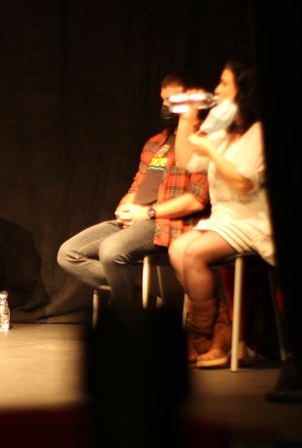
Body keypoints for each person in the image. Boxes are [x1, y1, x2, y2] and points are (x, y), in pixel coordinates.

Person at [57, 72, 210, 314]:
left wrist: (148, 213)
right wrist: (125, 207)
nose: (165, 106)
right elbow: (137, 185)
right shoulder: (155, 142)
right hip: (136, 219)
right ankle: (142, 300)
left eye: (172, 99)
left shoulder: (204, 141)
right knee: (68, 253)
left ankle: (128, 319)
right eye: (163, 100)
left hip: (166, 223)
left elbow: (196, 200)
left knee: (111, 250)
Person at [169, 59, 274, 368]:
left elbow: (243, 183)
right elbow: (187, 161)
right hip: (223, 218)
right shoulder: (224, 128)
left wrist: (212, 152)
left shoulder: (259, 132)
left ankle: (209, 337)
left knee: (193, 253)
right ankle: (214, 332)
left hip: (251, 218)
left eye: (224, 83)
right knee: (177, 250)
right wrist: (187, 118)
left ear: (244, 90)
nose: (216, 89)